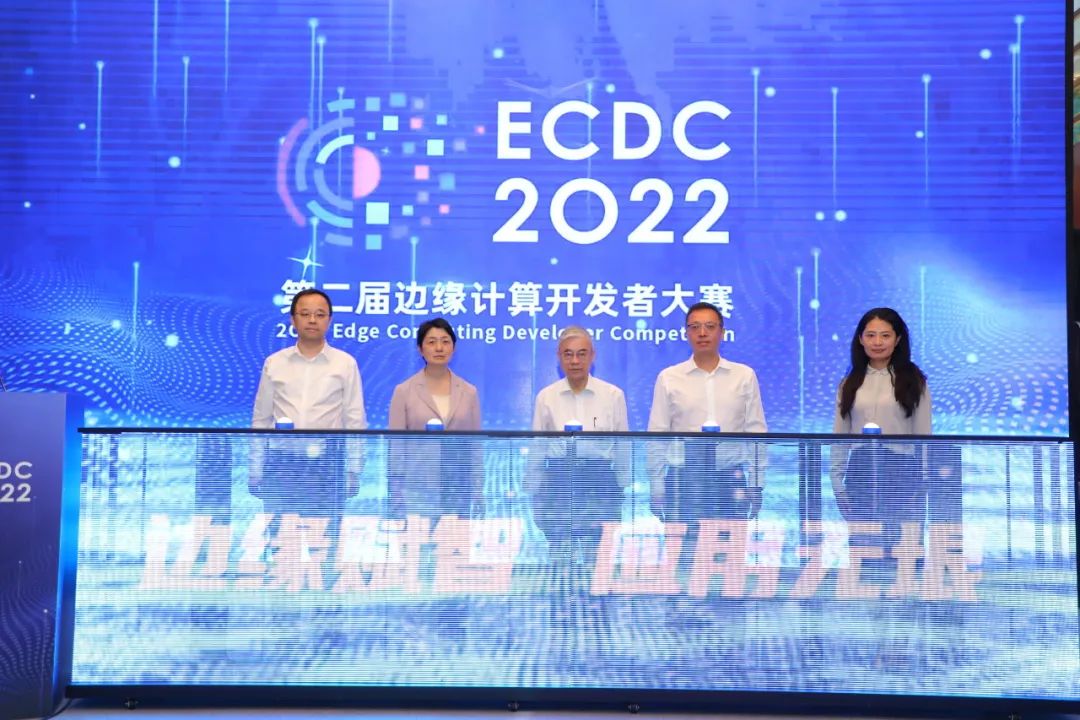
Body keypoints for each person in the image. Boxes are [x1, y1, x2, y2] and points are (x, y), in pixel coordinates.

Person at [250, 288, 367, 521]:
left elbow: (354, 420)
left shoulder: (345, 364)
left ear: (329, 321)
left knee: (324, 538)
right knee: (280, 537)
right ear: (293, 320)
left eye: (320, 314)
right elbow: (261, 419)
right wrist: (255, 468)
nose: (312, 320)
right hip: (281, 463)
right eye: (305, 314)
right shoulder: (274, 363)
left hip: (327, 465)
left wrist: (353, 470)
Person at [647, 301, 767, 520]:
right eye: (695, 327)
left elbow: (756, 432)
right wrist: (657, 486)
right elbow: (657, 436)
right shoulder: (669, 378)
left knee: (729, 542)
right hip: (682, 480)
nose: (702, 333)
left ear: (722, 332)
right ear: (686, 333)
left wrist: (756, 483)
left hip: (730, 478)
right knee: (683, 543)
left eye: (710, 327)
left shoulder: (744, 376)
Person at [831, 307, 931, 551]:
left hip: (902, 472)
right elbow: (840, 436)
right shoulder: (849, 382)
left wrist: (923, 482)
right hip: (860, 471)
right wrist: (837, 483)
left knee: (902, 551)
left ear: (897, 340)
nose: (877, 342)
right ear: (860, 339)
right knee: (866, 550)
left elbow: (924, 435)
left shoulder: (914, 380)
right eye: (871, 335)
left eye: (885, 336)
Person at [528, 326, 630, 554]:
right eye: (568, 354)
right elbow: (537, 447)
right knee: (559, 553)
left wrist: (623, 486)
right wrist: (534, 491)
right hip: (558, 480)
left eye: (582, 354)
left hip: (599, 480)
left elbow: (623, 445)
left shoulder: (612, 395)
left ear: (593, 356)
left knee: (599, 554)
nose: (575, 361)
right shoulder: (546, 397)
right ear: (559, 357)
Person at [387, 318, 481, 518]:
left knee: (455, 537)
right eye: (431, 342)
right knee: (417, 537)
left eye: (445, 341)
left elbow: (475, 447)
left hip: (458, 486)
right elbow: (396, 447)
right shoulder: (404, 391)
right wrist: (396, 491)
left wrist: (478, 489)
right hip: (416, 487)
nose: (439, 348)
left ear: (454, 347)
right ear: (420, 349)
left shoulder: (469, 392)